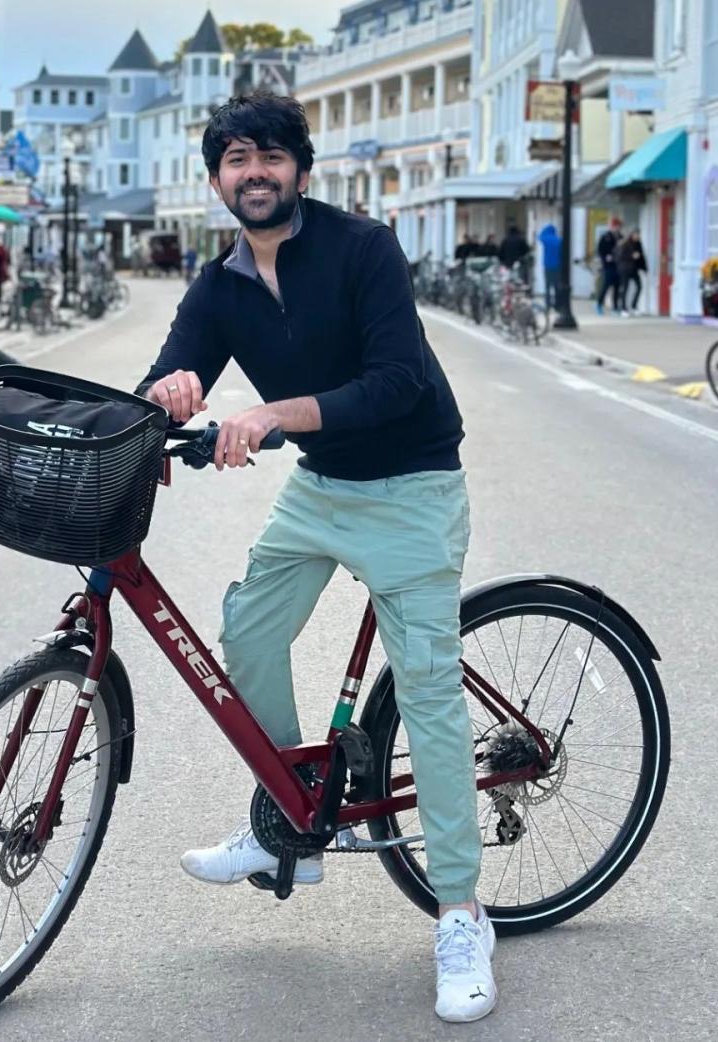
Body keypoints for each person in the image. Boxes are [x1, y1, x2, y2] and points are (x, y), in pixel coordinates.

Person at [135, 91, 496, 1024]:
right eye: (236, 160)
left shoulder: (363, 248)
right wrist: (169, 391)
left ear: (300, 167)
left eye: (270, 156)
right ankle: (287, 820)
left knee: (427, 693)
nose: (254, 173)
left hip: (413, 484)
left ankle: (461, 912)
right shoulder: (220, 285)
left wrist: (270, 416)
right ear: (216, 180)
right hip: (324, 485)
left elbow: (397, 381)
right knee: (248, 629)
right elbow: (171, 369)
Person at [617, 228, 648, 316]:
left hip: (634, 269)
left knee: (639, 286)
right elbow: (620, 257)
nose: (637, 236)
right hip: (625, 269)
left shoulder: (638, 244)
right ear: (632, 234)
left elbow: (641, 257)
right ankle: (623, 308)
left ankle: (634, 306)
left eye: (638, 234)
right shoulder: (625, 243)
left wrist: (645, 268)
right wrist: (631, 256)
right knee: (625, 288)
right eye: (636, 234)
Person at [596, 217, 623, 314]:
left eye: (618, 227)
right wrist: (605, 258)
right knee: (606, 285)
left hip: (618, 265)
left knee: (617, 286)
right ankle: (599, 304)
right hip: (608, 265)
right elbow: (600, 250)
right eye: (615, 226)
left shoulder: (621, 237)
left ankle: (615, 307)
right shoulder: (605, 237)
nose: (617, 228)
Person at [538, 223, 563, 311]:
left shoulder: (546, 239)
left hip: (548, 266)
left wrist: (544, 231)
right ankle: (557, 305)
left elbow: (540, 236)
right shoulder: (559, 240)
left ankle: (548, 305)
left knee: (547, 287)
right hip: (558, 266)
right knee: (557, 287)